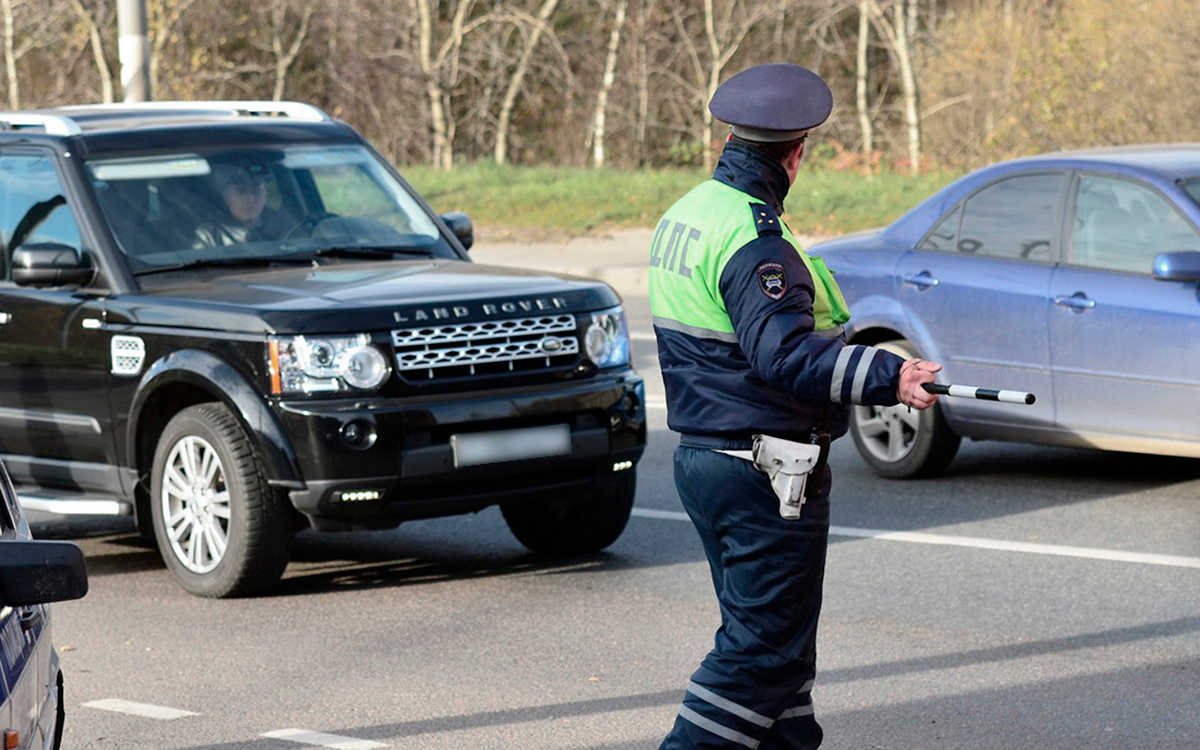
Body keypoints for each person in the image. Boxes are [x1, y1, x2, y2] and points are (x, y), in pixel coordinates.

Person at [649, 62, 943, 750]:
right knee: (757, 660)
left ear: (729, 138)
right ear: (797, 151)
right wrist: (887, 375)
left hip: (706, 458)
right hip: (765, 470)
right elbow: (784, 355)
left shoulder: (688, 212)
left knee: (779, 660)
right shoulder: (757, 241)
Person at [193, 157, 275, 247]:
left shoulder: (282, 227)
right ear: (226, 197)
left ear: (265, 197)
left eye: (256, 191)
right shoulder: (210, 235)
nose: (250, 199)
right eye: (241, 191)